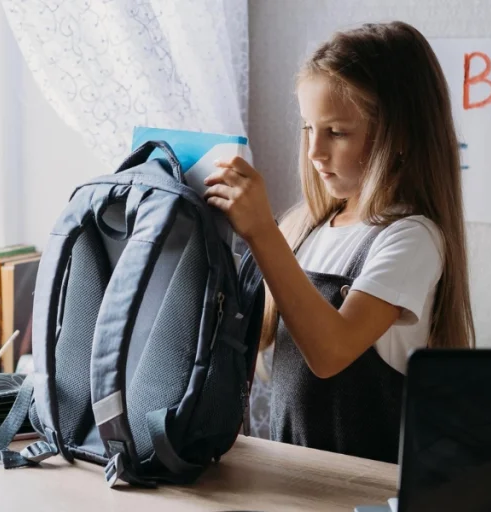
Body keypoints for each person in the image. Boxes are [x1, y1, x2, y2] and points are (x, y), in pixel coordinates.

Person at [203, 21, 475, 463]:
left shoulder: (411, 239)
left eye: (337, 132)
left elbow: (330, 352)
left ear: (399, 136)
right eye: (309, 128)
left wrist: (262, 234)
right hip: (298, 479)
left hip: (363, 491)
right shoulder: (305, 229)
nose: (314, 151)